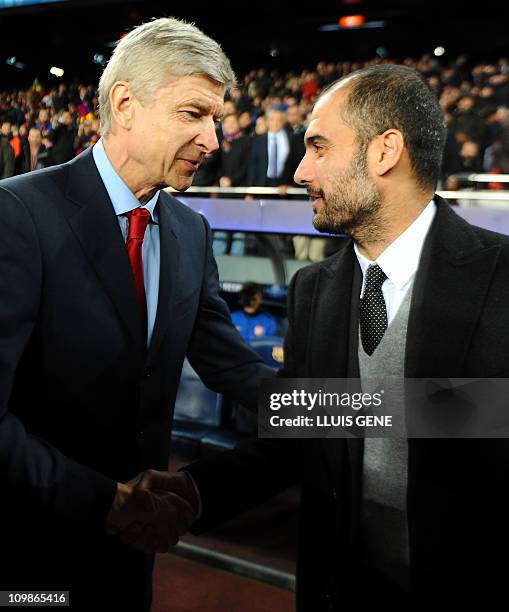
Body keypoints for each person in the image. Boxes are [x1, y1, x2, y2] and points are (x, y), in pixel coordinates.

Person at [171, 65, 509, 610]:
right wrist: (192, 491)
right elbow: (295, 436)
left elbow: (494, 412)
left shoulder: (501, 277)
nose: (301, 170)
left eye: (319, 147)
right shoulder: (313, 290)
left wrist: (329, 409)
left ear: (384, 151)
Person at [0, 17, 271, 611]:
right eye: (194, 114)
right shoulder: (18, 213)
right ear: (125, 104)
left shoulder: (189, 230)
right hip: (29, 555)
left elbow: (235, 370)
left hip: (132, 554)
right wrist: (106, 501)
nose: (213, 141)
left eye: (217, 120)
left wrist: (353, 407)